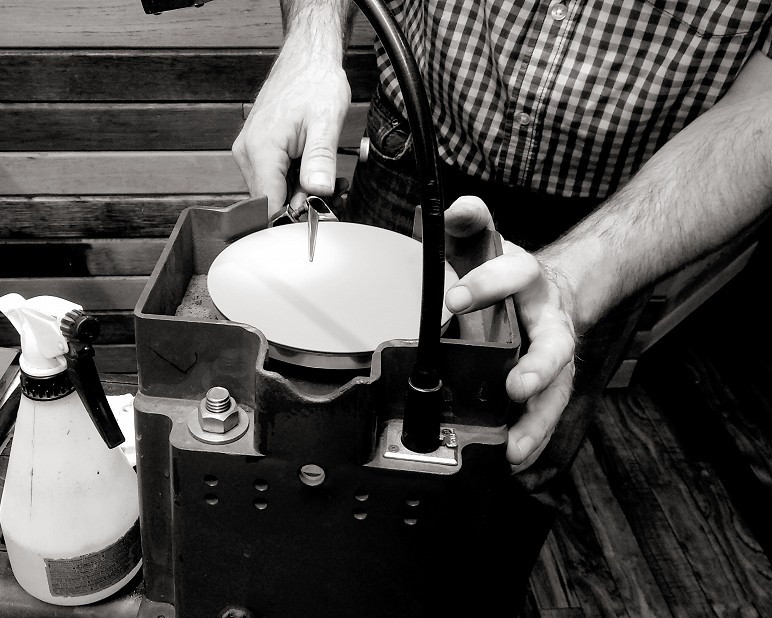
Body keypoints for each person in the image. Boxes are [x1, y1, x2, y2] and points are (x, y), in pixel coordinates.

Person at [233, 0, 772, 613]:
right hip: (412, 152)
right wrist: (312, 37)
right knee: (345, 431)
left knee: (516, 463)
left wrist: (572, 283)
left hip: (629, 207)